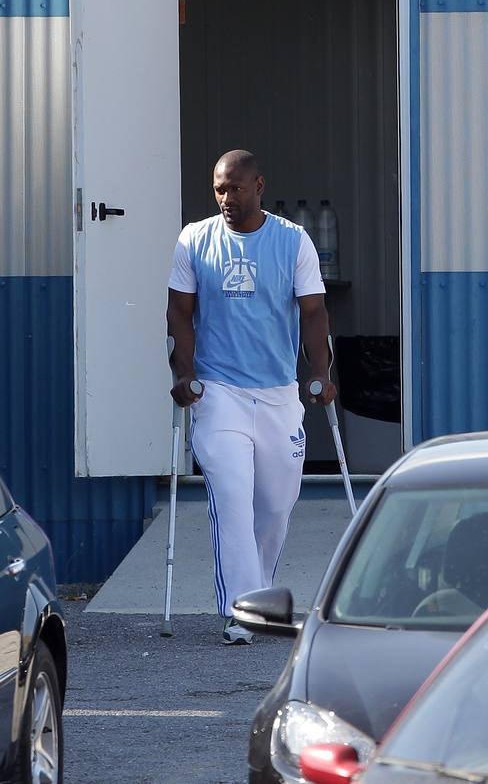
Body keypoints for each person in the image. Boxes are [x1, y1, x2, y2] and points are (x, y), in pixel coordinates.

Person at [166, 149, 337, 644]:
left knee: (277, 504)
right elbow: (179, 312)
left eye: (235, 188)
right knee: (234, 496)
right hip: (219, 392)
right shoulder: (195, 239)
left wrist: (321, 373)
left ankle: (258, 595)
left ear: (259, 186)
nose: (226, 198)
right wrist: (184, 372)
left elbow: (314, 312)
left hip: (280, 391)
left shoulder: (292, 240)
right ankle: (241, 611)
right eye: (219, 188)